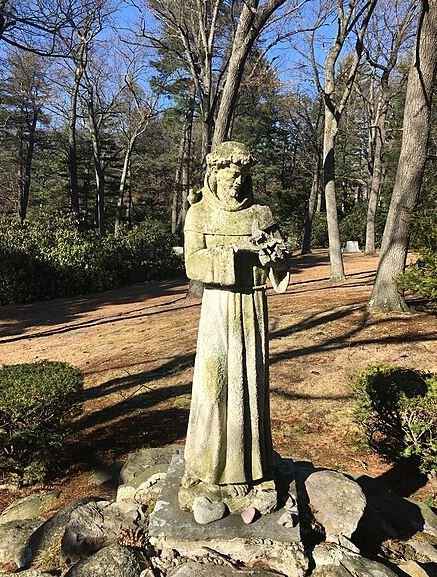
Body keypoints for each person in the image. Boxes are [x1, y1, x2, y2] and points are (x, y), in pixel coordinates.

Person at [181, 141, 289, 502]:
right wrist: (236, 253)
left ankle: (250, 468)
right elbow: (193, 264)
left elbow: (279, 261)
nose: (237, 184)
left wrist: (276, 258)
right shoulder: (198, 214)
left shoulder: (260, 213)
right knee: (215, 385)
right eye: (231, 177)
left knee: (250, 385)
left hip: (253, 307)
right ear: (214, 175)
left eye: (242, 177)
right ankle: (208, 467)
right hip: (218, 307)